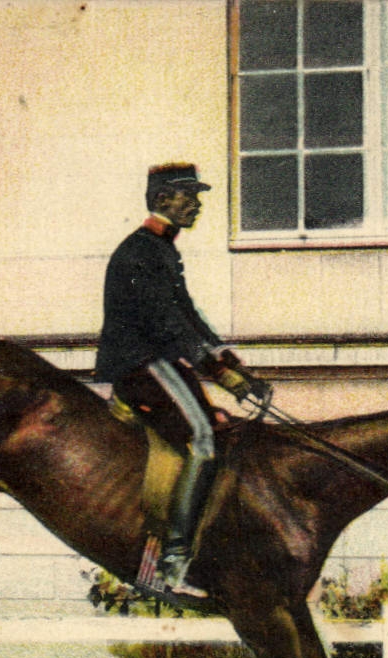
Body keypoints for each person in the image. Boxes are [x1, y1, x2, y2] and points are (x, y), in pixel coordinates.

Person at [96, 163, 270, 596]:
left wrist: (231, 362)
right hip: (137, 364)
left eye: (197, 195)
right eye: (187, 195)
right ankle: (171, 564)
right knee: (202, 440)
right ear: (161, 200)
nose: (197, 204)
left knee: (216, 428)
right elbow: (168, 324)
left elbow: (190, 316)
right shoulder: (140, 251)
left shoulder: (162, 250)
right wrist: (224, 378)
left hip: (160, 361)